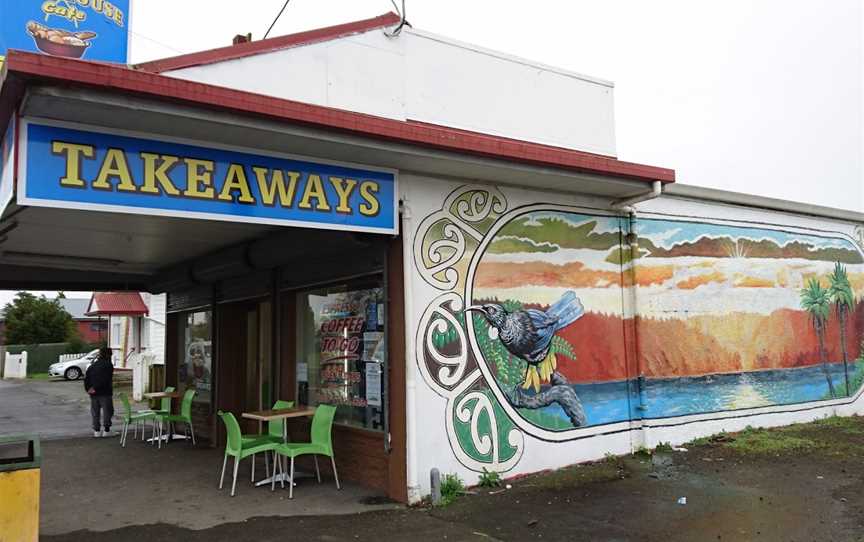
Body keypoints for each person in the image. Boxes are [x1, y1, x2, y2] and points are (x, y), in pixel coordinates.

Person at [84, 347, 116, 438]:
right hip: (105, 392)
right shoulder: (108, 365)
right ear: (108, 355)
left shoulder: (93, 365)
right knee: (108, 411)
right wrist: (96, 387)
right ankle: (106, 430)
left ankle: (96, 431)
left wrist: (89, 389)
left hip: (93, 392)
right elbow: (106, 379)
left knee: (95, 412)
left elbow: (87, 378)